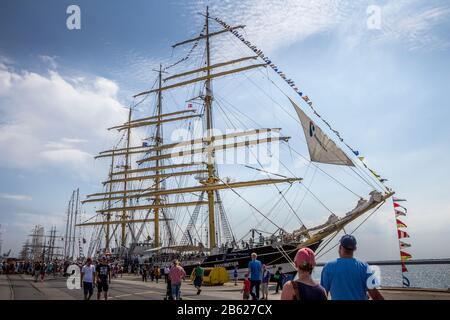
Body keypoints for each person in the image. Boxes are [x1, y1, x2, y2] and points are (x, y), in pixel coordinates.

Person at [320, 235, 384, 300]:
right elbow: (375, 295)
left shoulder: (328, 267)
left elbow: (322, 295)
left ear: (340, 247)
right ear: (355, 248)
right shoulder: (364, 267)